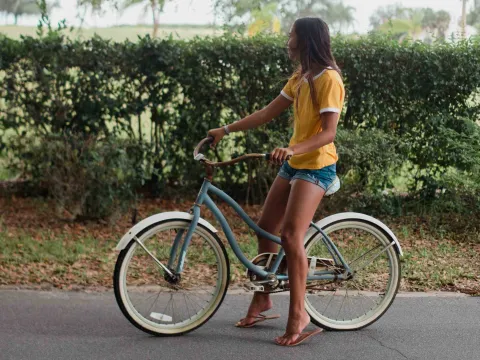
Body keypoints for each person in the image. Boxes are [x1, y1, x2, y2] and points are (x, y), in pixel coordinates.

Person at [207, 17, 345, 347]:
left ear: (307, 41)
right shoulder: (301, 77)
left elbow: (329, 133)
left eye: (292, 35)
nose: (288, 40)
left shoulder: (329, 80)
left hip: (317, 167)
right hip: (295, 164)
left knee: (290, 235)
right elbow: (267, 113)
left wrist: (293, 148)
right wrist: (225, 130)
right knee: (265, 225)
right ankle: (264, 297)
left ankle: (299, 315)